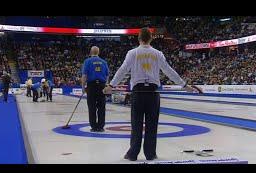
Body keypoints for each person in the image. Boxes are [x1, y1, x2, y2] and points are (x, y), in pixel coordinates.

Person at [103, 27, 200, 161]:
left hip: (137, 92)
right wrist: (184, 85)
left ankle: (132, 154)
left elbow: (123, 70)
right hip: (153, 93)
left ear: (139, 38)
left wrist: (111, 85)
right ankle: (150, 153)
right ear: (151, 38)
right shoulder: (158, 53)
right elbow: (169, 71)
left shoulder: (132, 53)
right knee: (152, 125)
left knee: (136, 125)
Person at [82, 46, 109, 132]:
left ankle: (93, 126)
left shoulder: (87, 61)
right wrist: (106, 85)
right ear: (98, 52)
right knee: (101, 107)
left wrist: (83, 87)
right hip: (101, 85)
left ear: (90, 52)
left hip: (91, 86)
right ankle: (101, 126)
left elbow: (84, 75)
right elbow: (107, 75)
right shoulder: (104, 62)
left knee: (92, 107)